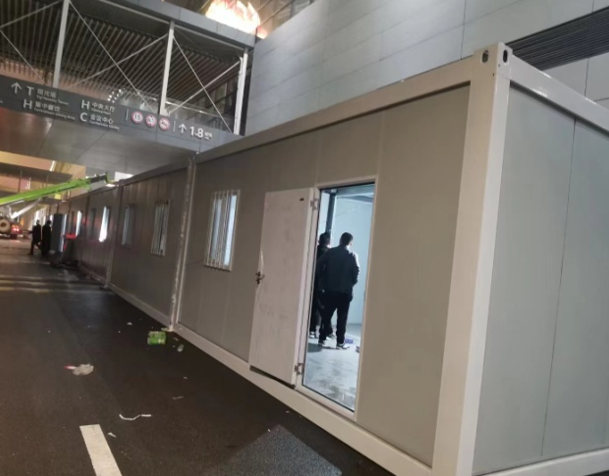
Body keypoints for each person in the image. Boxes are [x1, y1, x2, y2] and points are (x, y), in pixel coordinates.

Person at [316, 232, 360, 349]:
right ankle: (340, 342)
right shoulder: (352, 255)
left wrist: (323, 280)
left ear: (340, 240)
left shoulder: (330, 252)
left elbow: (318, 266)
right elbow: (356, 274)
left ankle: (322, 339)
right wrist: (350, 284)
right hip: (345, 292)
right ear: (351, 243)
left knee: (326, 315)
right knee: (342, 318)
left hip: (330, 290)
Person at [309, 232, 331, 338]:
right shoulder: (328, 254)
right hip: (322, 285)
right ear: (328, 242)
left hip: (312, 282)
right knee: (323, 309)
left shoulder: (313, 251)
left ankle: (312, 330)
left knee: (313, 307)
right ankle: (327, 330)